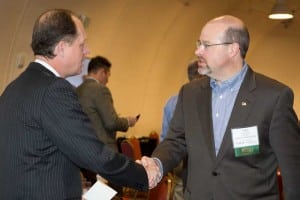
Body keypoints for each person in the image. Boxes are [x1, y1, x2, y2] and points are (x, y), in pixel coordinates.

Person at [0, 9, 158, 200]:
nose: (87, 51)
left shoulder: (12, 88)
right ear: (61, 48)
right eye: (82, 44)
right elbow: (94, 154)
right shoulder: (54, 89)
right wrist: (143, 175)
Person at [140, 15, 300, 199]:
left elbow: (293, 169)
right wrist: (157, 163)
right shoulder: (190, 93)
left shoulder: (274, 97)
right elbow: (176, 141)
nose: (198, 51)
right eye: (198, 43)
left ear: (233, 49)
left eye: (206, 45)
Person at [76, 55, 138, 193]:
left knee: (92, 194)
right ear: (102, 72)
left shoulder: (76, 91)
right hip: (104, 153)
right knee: (110, 193)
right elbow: (111, 122)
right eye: (108, 74)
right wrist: (128, 121)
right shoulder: (100, 90)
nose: (108, 80)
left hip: (82, 154)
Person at [160, 60, 203, 200]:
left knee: (179, 190)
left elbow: (164, 137)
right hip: (202, 162)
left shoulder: (172, 101)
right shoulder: (209, 99)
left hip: (177, 159)